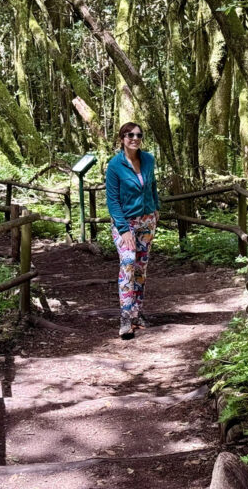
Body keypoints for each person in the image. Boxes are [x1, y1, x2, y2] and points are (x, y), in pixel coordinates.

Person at [105, 121, 160, 339]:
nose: (135, 138)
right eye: (130, 135)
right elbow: (112, 200)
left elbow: (152, 185)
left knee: (140, 268)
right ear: (122, 139)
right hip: (125, 223)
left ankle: (137, 313)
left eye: (138, 135)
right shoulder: (114, 165)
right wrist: (123, 229)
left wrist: (156, 208)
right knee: (128, 263)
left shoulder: (148, 160)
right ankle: (126, 317)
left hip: (147, 221)